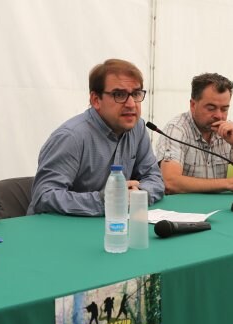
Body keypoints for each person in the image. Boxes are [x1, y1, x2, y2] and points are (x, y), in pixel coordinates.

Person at [27, 59, 164, 216]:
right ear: (96, 100)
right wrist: (105, 201)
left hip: (111, 225)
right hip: (57, 230)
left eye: (136, 94)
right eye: (119, 95)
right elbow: (43, 197)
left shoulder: (137, 128)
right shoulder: (71, 137)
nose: (131, 104)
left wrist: (139, 193)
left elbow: (154, 178)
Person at [155, 73, 233, 194]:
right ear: (193, 105)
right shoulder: (176, 130)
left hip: (217, 209)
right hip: (182, 209)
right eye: (211, 108)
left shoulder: (227, 130)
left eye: (224, 109)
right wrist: (229, 183)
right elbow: (170, 182)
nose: (219, 115)